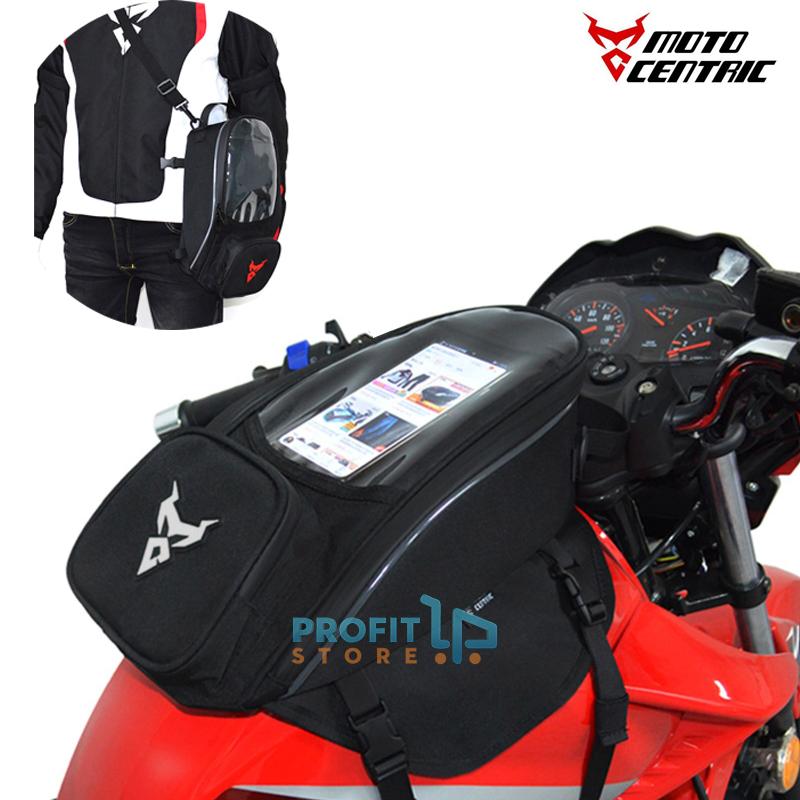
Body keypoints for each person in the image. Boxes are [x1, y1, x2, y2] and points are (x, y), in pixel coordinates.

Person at [34, 1, 288, 329]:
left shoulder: (222, 14)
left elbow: (263, 128)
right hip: (86, 231)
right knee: (89, 359)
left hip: (185, 231)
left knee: (192, 361)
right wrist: (32, 226)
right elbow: (47, 130)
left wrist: (261, 224)